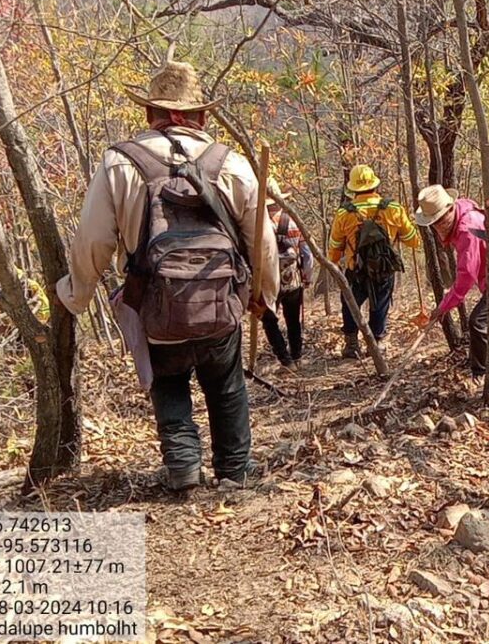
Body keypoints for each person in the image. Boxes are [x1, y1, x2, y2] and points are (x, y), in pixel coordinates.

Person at [56, 59, 279, 491]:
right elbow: (262, 242)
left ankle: (183, 469)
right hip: (221, 306)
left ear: (154, 114)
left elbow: (94, 241)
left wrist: (76, 294)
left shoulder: (119, 163)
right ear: (193, 116)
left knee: (169, 383)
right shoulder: (231, 163)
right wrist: (263, 295)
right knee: (227, 387)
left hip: (157, 306)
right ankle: (234, 471)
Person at [413, 185, 489, 379]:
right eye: (434, 222)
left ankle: (482, 374)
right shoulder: (461, 213)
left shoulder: (467, 229)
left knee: (478, 321)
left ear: (450, 208)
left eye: (441, 219)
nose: (439, 226)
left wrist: (444, 306)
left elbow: (467, 274)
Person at [328, 164, 420, 358]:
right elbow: (413, 240)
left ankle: (352, 345)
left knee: (350, 302)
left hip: (356, 269)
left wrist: (334, 263)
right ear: (375, 185)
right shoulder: (393, 208)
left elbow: (335, 245)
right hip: (384, 268)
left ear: (352, 189)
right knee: (380, 304)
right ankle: (376, 343)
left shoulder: (344, 213)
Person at [261, 178, 312, 371]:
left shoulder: (256, 223)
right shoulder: (292, 220)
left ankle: (285, 360)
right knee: (293, 320)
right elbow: (306, 254)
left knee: (269, 320)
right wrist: (307, 277)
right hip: (293, 280)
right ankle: (297, 357)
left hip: (267, 282)